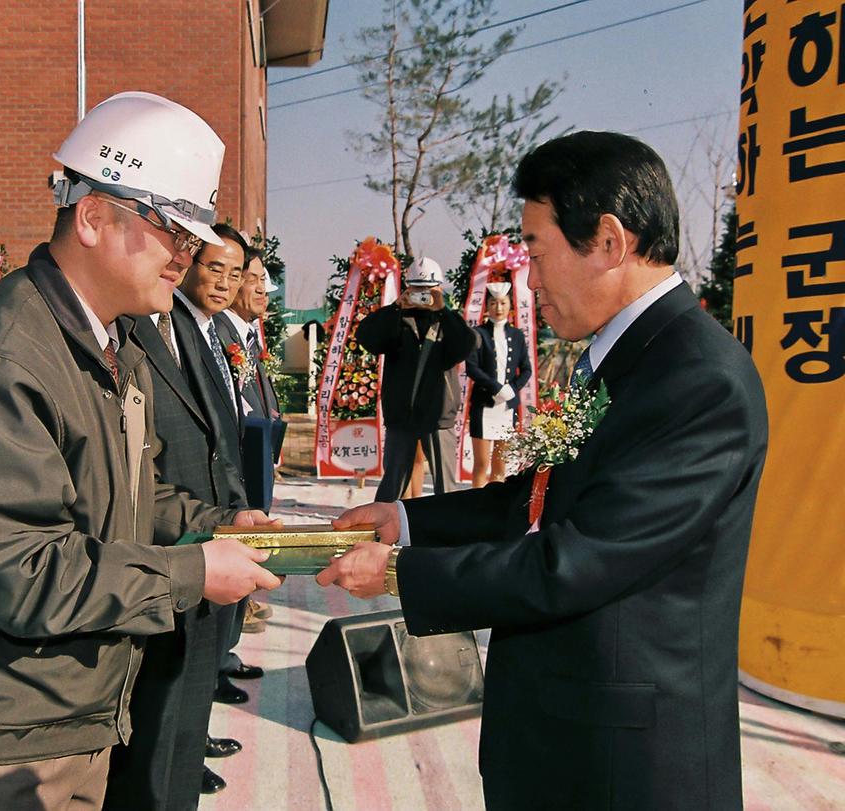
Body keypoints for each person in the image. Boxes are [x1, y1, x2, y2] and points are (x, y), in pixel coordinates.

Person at [320, 131, 769, 810]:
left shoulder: (699, 379)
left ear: (610, 242)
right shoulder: (629, 357)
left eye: (535, 247)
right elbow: (536, 503)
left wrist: (395, 573)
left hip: (625, 765)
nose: (525, 273)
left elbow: (576, 558)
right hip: (567, 738)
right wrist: (405, 518)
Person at [0, 91, 281, 811]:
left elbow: (129, 494)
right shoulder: (0, 362)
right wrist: (191, 571)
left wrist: (215, 526)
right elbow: (21, 570)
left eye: (193, 240)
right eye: (172, 232)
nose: (188, 256)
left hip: (63, 725)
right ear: (93, 216)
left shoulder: (108, 343)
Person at [105, 230, 253, 808]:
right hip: (163, 555)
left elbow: (220, 438)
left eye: (233, 270)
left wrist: (231, 519)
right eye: (202, 259)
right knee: (153, 734)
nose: (215, 276)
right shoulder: (126, 327)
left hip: (210, 538)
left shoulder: (196, 328)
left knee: (187, 713)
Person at [171, 226, 266, 716]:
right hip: (187, 498)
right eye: (214, 268)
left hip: (226, 488)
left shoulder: (219, 328)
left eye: (236, 273)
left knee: (213, 619)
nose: (225, 283)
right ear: (189, 263)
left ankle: (212, 682)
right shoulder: (171, 324)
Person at [356, 256, 475, 502]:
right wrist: (395, 308)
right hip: (402, 416)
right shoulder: (396, 321)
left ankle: (449, 537)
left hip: (439, 416)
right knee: (393, 483)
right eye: (416, 290)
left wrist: (443, 311)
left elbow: (467, 345)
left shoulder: (447, 323)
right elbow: (366, 337)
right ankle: (384, 530)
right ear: (407, 289)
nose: (422, 297)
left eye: (428, 291)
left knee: (447, 488)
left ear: (439, 289)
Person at [217, 251, 285, 512]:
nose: (262, 289)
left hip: (258, 456)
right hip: (241, 464)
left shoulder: (246, 334)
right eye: (252, 279)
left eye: (263, 280)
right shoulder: (220, 332)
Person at [466, 282, 532, 487]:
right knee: (481, 464)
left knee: (500, 465)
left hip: (506, 407)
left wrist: (512, 389)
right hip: (484, 405)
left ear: (510, 305)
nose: (499, 308)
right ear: (487, 305)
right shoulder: (478, 333)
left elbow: (526, 368)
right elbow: (471, 367)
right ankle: (476, 504)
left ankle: (494, 509)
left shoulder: (517, 335)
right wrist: (496, 388)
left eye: (503, 303)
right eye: (494, 303)